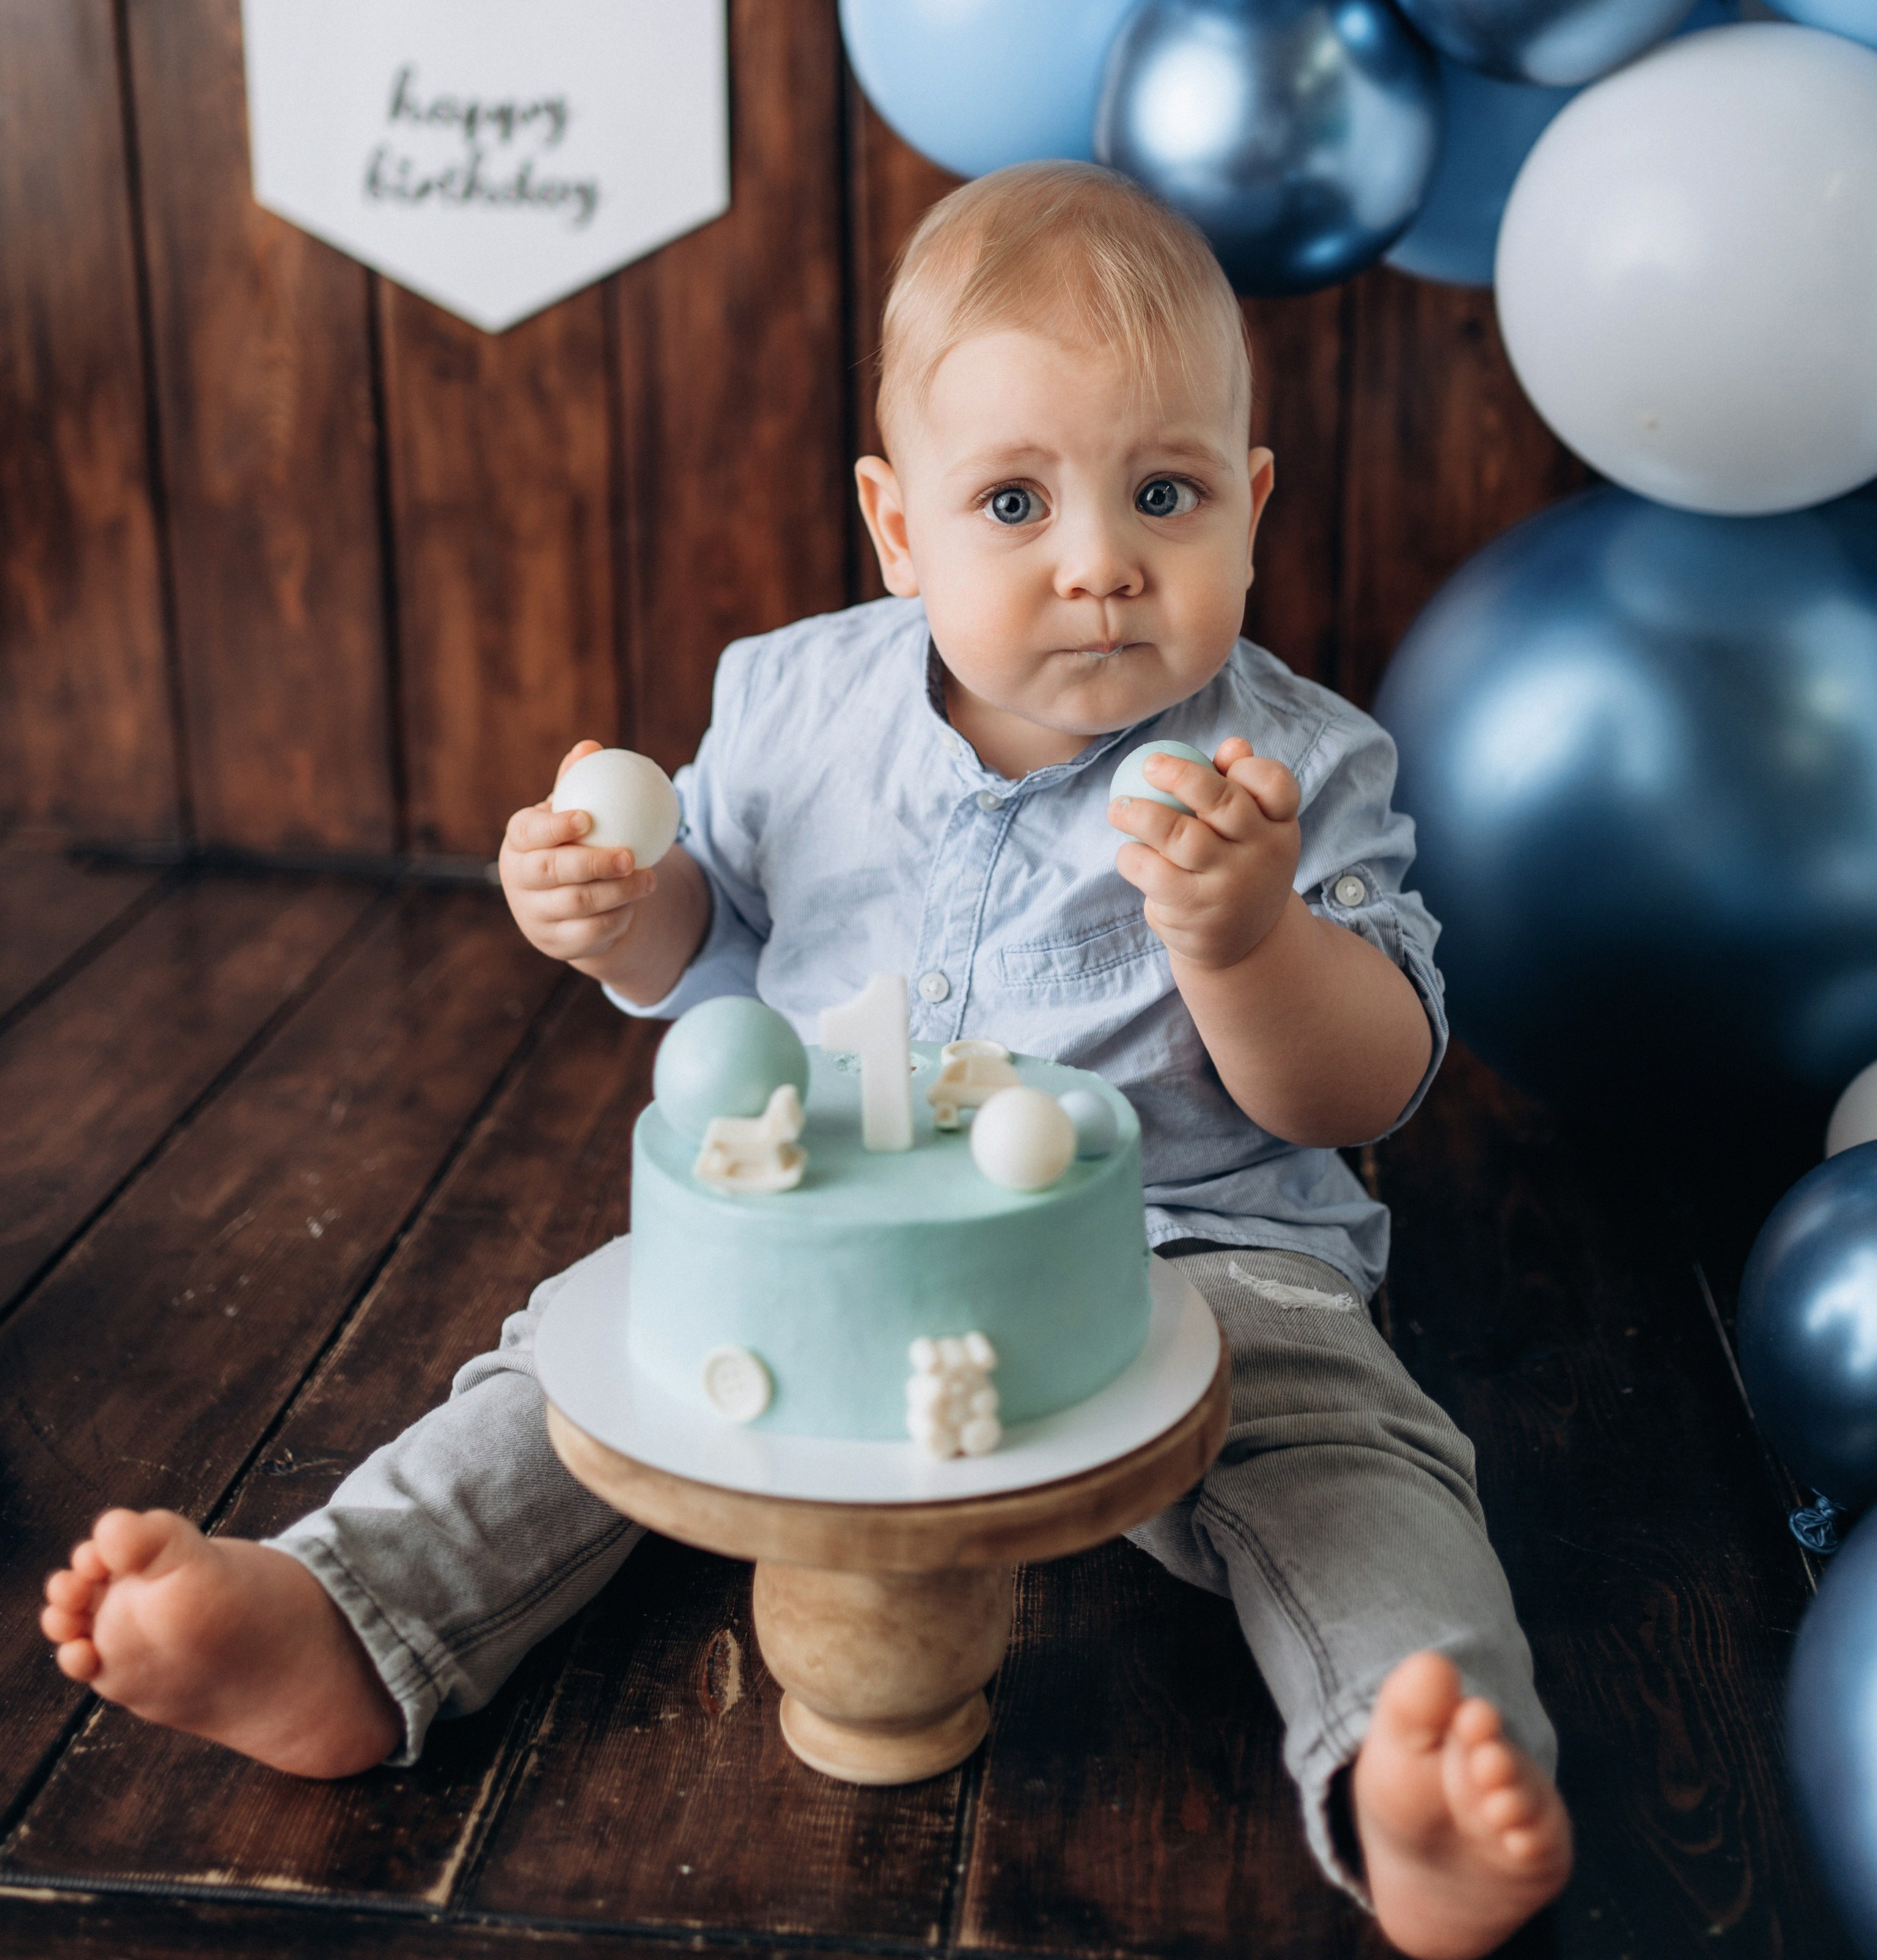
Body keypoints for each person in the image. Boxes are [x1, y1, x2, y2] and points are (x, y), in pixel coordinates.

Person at [40, 162, 1571, 1958]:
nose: (1096, 562)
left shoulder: (1292, 774)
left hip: (1191, 1249)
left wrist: (1242, 940)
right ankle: (351, 1617)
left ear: (1246, 508)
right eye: (1012, 500)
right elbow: (726, 950)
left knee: (1347, 1461)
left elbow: (1357, 1094)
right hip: (815, 1223)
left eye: (1161, 494)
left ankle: (1409, 1762)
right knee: (578, 1375)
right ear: (896, 527)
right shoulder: (785, 707)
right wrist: (625, 917)